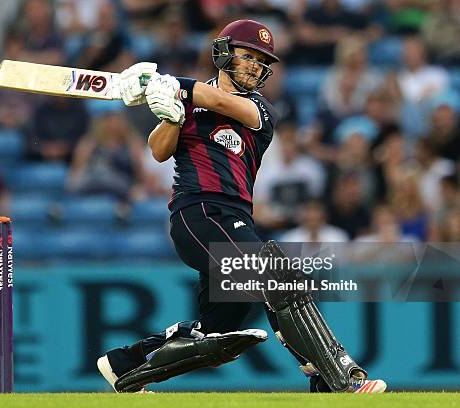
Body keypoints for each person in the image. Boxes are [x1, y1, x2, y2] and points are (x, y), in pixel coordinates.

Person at [97, 20, 386, 394]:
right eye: (247, 56)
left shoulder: (259, 110)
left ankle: (125, 364)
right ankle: (335, 378)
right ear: (224, 53)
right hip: (198, 214)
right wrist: (170, 111)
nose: (254, 65)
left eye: (261, 61)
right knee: (276, 274)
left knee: (217, 334)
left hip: (235, 220)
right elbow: (158, 150)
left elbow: (216, 100)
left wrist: (172, 85)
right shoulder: (189, 104)